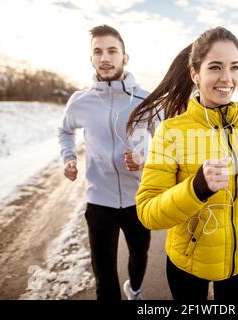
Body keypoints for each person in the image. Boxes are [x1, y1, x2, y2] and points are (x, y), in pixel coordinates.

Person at [127, 26, 238, 301]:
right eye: (215, 67)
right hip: (189, 261)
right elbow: (148, 212)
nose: (227, 78)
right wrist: (197, 188)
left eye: (234, 67)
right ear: (195, 74)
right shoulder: (171, 132)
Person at [58, 25, 153, 300]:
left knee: (139, 257)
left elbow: (165, 143)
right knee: (104, 278)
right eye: (98, 52)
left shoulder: (146, 100)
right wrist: (68, 157)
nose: (105, 58)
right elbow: (64, 130)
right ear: (91, 59)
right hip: (99, 201)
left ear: (125, 56)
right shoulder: (80, 101)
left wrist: (145, 160)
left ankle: (134, 289)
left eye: (112, 50)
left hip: (140, 199)